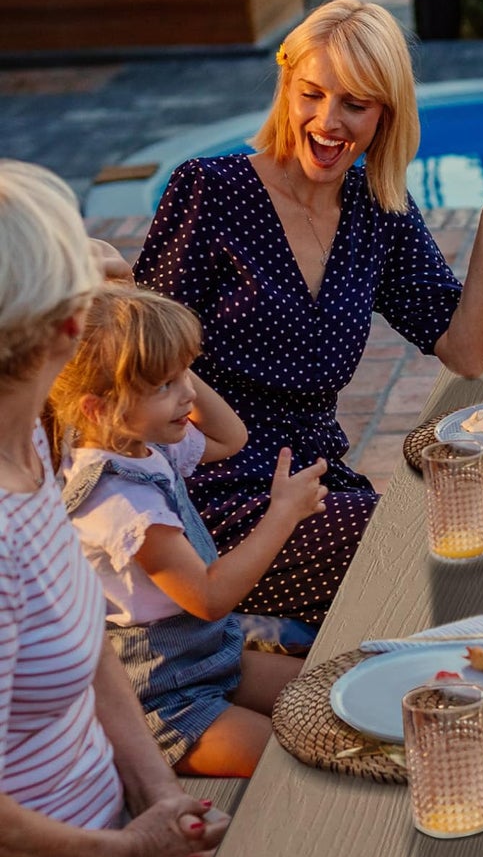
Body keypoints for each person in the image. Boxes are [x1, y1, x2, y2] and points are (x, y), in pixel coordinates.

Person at [0, 160, 375, 857]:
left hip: (110, 816)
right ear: (60, 333)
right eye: (83, 290)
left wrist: (161, 796)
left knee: (315, 764)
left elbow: (92, 656)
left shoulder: (32, 457)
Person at [134, 0, 483, 626]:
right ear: (287, 87)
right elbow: (142, 358)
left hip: (319, 486)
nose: (328, 122)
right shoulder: (211, 191)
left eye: (354, 104)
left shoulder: (374, 208)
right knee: (426, 555)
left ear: (386, 114)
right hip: (212, 494)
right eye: (312, 94)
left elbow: (463, 350)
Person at [48, 284, 329, 776]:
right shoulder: (120, 503)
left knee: (332, 700)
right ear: (98, 409)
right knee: (296, 763)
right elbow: (208, 595)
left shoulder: (139, 444)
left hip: (213, 654)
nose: (189, 395)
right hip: (165, 699)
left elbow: (230, 436)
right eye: (164, 386)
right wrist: (282, 515)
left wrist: (166, 361)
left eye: (184, 376)